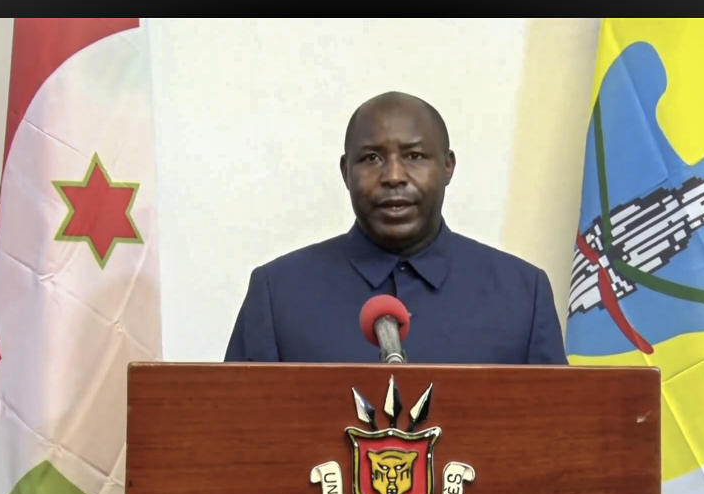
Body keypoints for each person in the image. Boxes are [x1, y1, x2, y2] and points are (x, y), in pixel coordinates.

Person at [224, 91, 566, 364]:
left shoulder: (522, 294)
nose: (393, 176)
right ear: (345, 172)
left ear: (448, 167)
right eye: (371, 158)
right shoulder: (277, 294)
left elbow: (560, 437)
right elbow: (234, 440)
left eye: (414, 156)